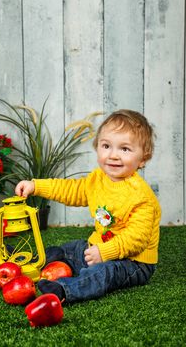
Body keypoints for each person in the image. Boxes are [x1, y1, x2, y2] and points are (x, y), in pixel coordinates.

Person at [15, 109, 161, 304]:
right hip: (99, 249)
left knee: (104, 272)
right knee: (71, 249)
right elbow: (69, 190)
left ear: (143, 158)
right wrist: (36, 186)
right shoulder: (97, 179)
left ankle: (63, 290)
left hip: (133, 262)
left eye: (125, 149)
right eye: (106, 146)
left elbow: (136, 239)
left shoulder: (141, 196)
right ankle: (26, 263)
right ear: (97, 147)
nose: (113, 155)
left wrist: (104, 253)